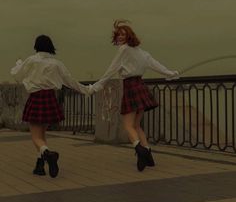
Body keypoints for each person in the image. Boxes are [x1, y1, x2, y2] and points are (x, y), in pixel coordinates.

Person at [88, 20, 179, 172]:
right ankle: (148, 154)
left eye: (123, 34)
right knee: (137, 125)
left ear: (129, 36)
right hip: (141, 87)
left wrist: (96, 86)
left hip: (130, 87)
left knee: (128, 126)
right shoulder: (143, 53)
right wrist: (171, 73)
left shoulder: (123, 50)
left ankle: (139, 150)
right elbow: (156, 65)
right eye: (118, 35)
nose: (120, 37)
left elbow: (111, 70)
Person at [11, 34, 89, 178]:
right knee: (42, 135)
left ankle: (48, 155)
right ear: (50, 46)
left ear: (36, 46)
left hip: (36, 98)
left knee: (35, 136)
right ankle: (40, 166)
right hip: (50, 98)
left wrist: (18, 63)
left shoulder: (32, 60)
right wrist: (87, 89)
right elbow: (69, 80)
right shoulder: (56, 63)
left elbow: (17, 75)